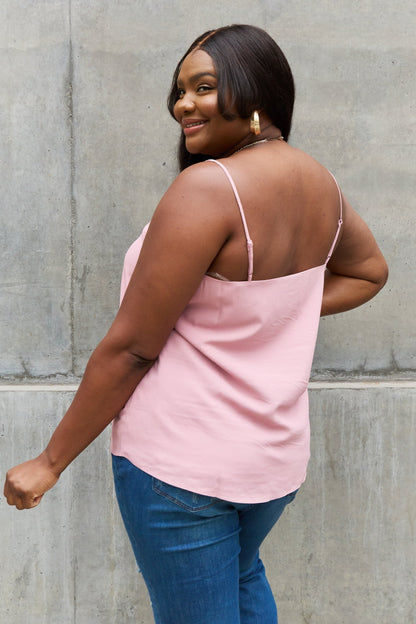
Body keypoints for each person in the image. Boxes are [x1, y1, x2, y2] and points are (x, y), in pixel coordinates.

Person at [4, 24, 388, 624]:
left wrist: (49, 462)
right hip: (271, 460)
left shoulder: (208, 189)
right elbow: (368, 273)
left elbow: (132, 348)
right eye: (180, 90)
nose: (183, 104)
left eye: (204, 87)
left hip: (182, 468)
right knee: (241, 580)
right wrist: (261, 312)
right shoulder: (320, 183)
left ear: (257, 90)